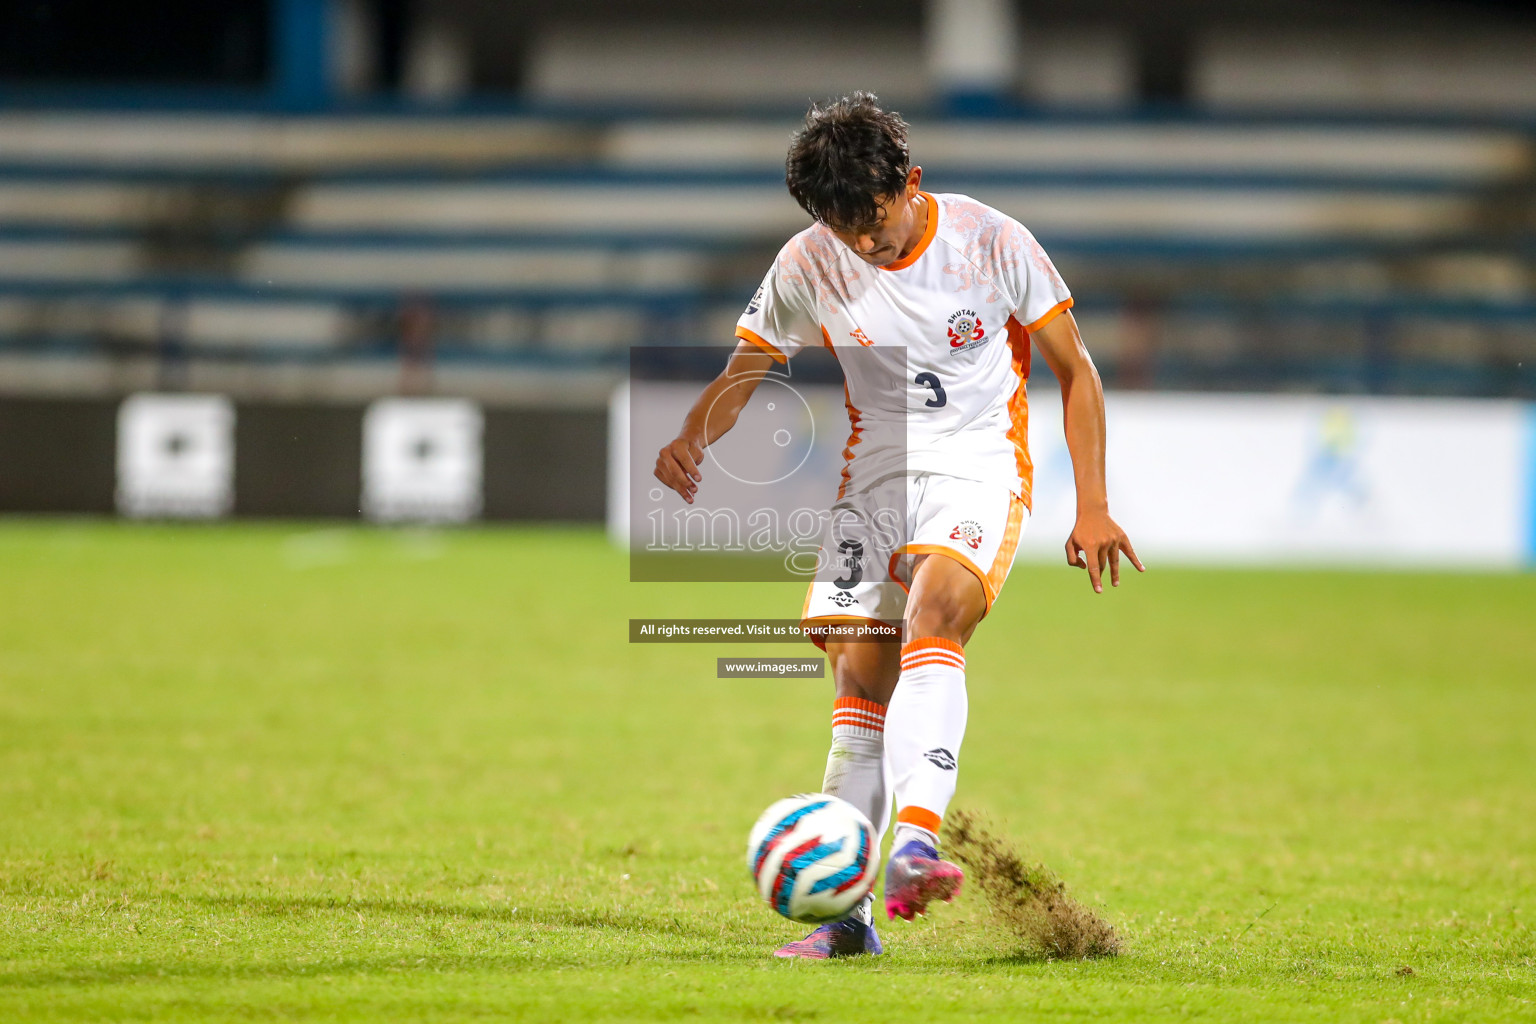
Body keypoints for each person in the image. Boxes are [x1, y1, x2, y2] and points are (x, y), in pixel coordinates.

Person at [654, 92, 1142, 959]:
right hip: (873, 479)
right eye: (844, 230)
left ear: (910, 183)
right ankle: (849, 923)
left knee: (936, 613)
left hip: (977, 465)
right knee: (857, 686)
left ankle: (915, 842)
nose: (864, 245)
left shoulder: (992, 242)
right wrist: (694, 431)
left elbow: (1077, 371)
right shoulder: (811, 260)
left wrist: (1093, 504)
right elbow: (751, 364)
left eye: (873, 224)